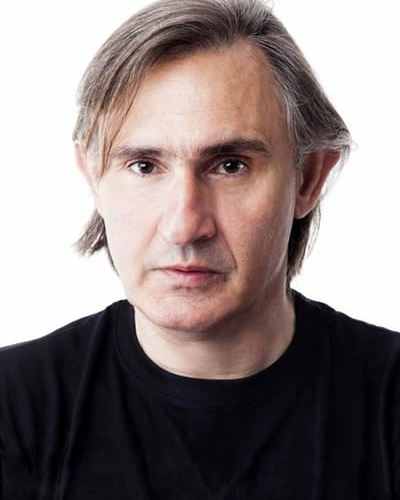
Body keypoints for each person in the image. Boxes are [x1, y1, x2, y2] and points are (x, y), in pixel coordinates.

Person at [0, 0, 399, 498]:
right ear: (93, 177)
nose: (184, 226)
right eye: (144, 166)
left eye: (230, 165)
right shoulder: (12, 408)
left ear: (309, 178)